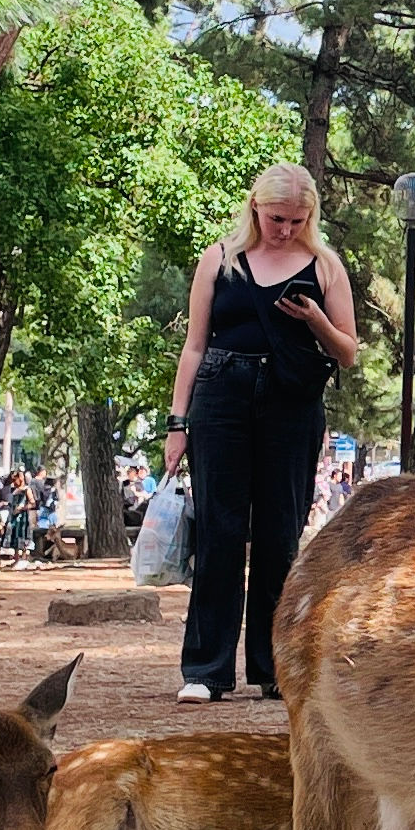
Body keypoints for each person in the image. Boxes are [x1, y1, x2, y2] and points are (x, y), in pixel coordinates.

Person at [161, 163, 361, 701]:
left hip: (291, 404)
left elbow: (347, 353)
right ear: (256, 208)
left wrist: (316, 319)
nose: (285, 230)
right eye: (277, 218)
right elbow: (194, 346)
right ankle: (205, 671)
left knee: (280, 537)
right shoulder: (220, 259)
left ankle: (276, 670)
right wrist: (177, 423)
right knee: (219, 534)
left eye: (298, 220)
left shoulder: (324, 266)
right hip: (220, 394)